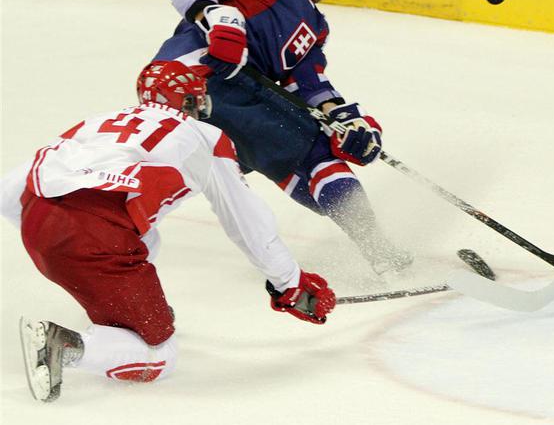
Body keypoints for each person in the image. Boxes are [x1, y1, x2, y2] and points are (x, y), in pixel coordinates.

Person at [1, 62, 336, 402]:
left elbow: (9, 192)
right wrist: (290, 283)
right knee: (158, 355)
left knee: (148, 240)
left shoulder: (98, 121)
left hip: (37, 218)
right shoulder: (203, 136)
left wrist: (50, 245)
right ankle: (66, 345)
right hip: (93, 238)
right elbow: (246, 220)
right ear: (189, 101)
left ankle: (125, 310)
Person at [150, 0, 412, 275]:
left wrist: (347, 122)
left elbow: (308, 85)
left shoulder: (315, 27)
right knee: (315, 155)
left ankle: (101, 228)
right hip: (196, 78)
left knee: (309, 172)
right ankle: (381, 252)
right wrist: (212, 16)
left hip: (228, 101)